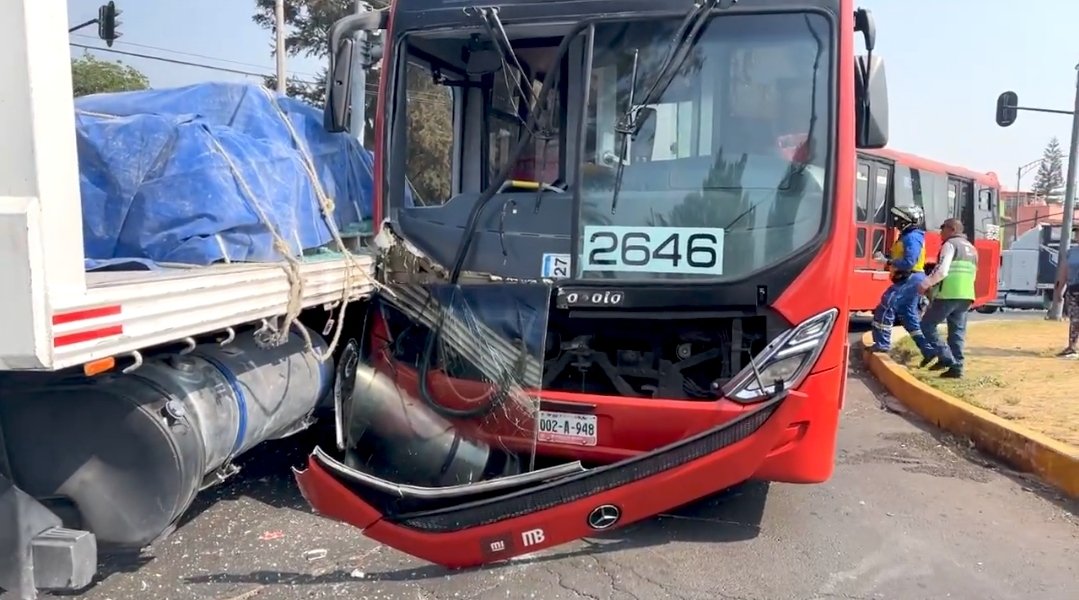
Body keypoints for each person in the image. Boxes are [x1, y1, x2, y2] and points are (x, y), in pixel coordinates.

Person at [868, 205, 934, 359]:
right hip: (911, 278)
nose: (896, 222)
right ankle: (928, 350)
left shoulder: (912, 237)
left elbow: (909, 262)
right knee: (908, 317)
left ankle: (882, 344)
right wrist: (887, 258)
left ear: (908, 221)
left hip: (910, 278)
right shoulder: (909, 236)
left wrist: (888, 261)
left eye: (899, 219)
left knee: (886, 306)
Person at [917, 218, 978, 378]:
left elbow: (942, 270)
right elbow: (974, 274)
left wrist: (925, 284)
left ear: (952, 229)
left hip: (948, 293)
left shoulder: (950, 245)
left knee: (927, 325)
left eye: (942, 228)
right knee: (957, 332)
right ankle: (957, 368)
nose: (940, 232)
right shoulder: (971, 248)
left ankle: (946, 358)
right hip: (966, 295)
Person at [1054, 226, 1079, 359]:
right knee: (1075, 320)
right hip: (1074, 290)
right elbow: (1063, 272)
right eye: (1077, 233)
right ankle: (1072, 347)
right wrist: (1059, 291)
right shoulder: (1071, 253)